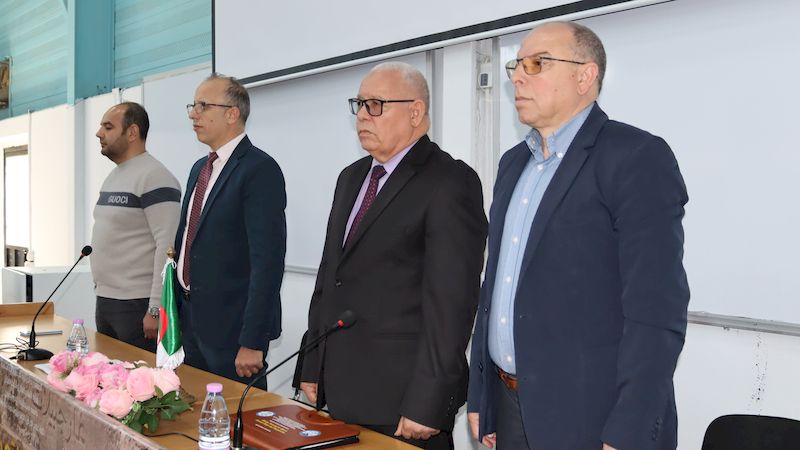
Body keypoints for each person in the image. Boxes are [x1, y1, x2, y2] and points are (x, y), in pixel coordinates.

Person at [467, 21, 690, 450]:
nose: (518, 77)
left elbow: (657, 310)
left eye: (538, 64)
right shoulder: (513, 164)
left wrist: (630, 430)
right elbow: (495, 286)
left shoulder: (635, 157)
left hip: (591, 415)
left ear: (585, 76)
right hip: (510, 406)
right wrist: (482, 394)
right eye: (517, 65)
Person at [299, 62, 487, 449]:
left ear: (415, 112)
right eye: (359, 104)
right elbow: (330, 276)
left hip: (403, 402)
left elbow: (452, 307)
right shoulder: (351, 177)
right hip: (341, 390)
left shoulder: (449, 181)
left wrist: (428, 402)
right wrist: (313, 362)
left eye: (376, 105)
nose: (362, 116)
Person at [175, 74, 286, 388]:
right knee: (193, 411)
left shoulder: (258, 169)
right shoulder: (200, 168)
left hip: (233, 331)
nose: (193, 114)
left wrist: (253, 339)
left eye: (203, 105)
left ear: (232, 114)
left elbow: (267, 261)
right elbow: (187, 241)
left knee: (237, 414)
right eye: (193, 106)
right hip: (190, 322)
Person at [91, 102, 181, 352]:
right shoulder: (114, 176)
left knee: (138, 377)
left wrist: (156, 308)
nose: (99, 133)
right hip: (107, 300)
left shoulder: (155, 176)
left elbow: (167, 246)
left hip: (137, 305)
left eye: (108, 127)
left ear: (132, 132)